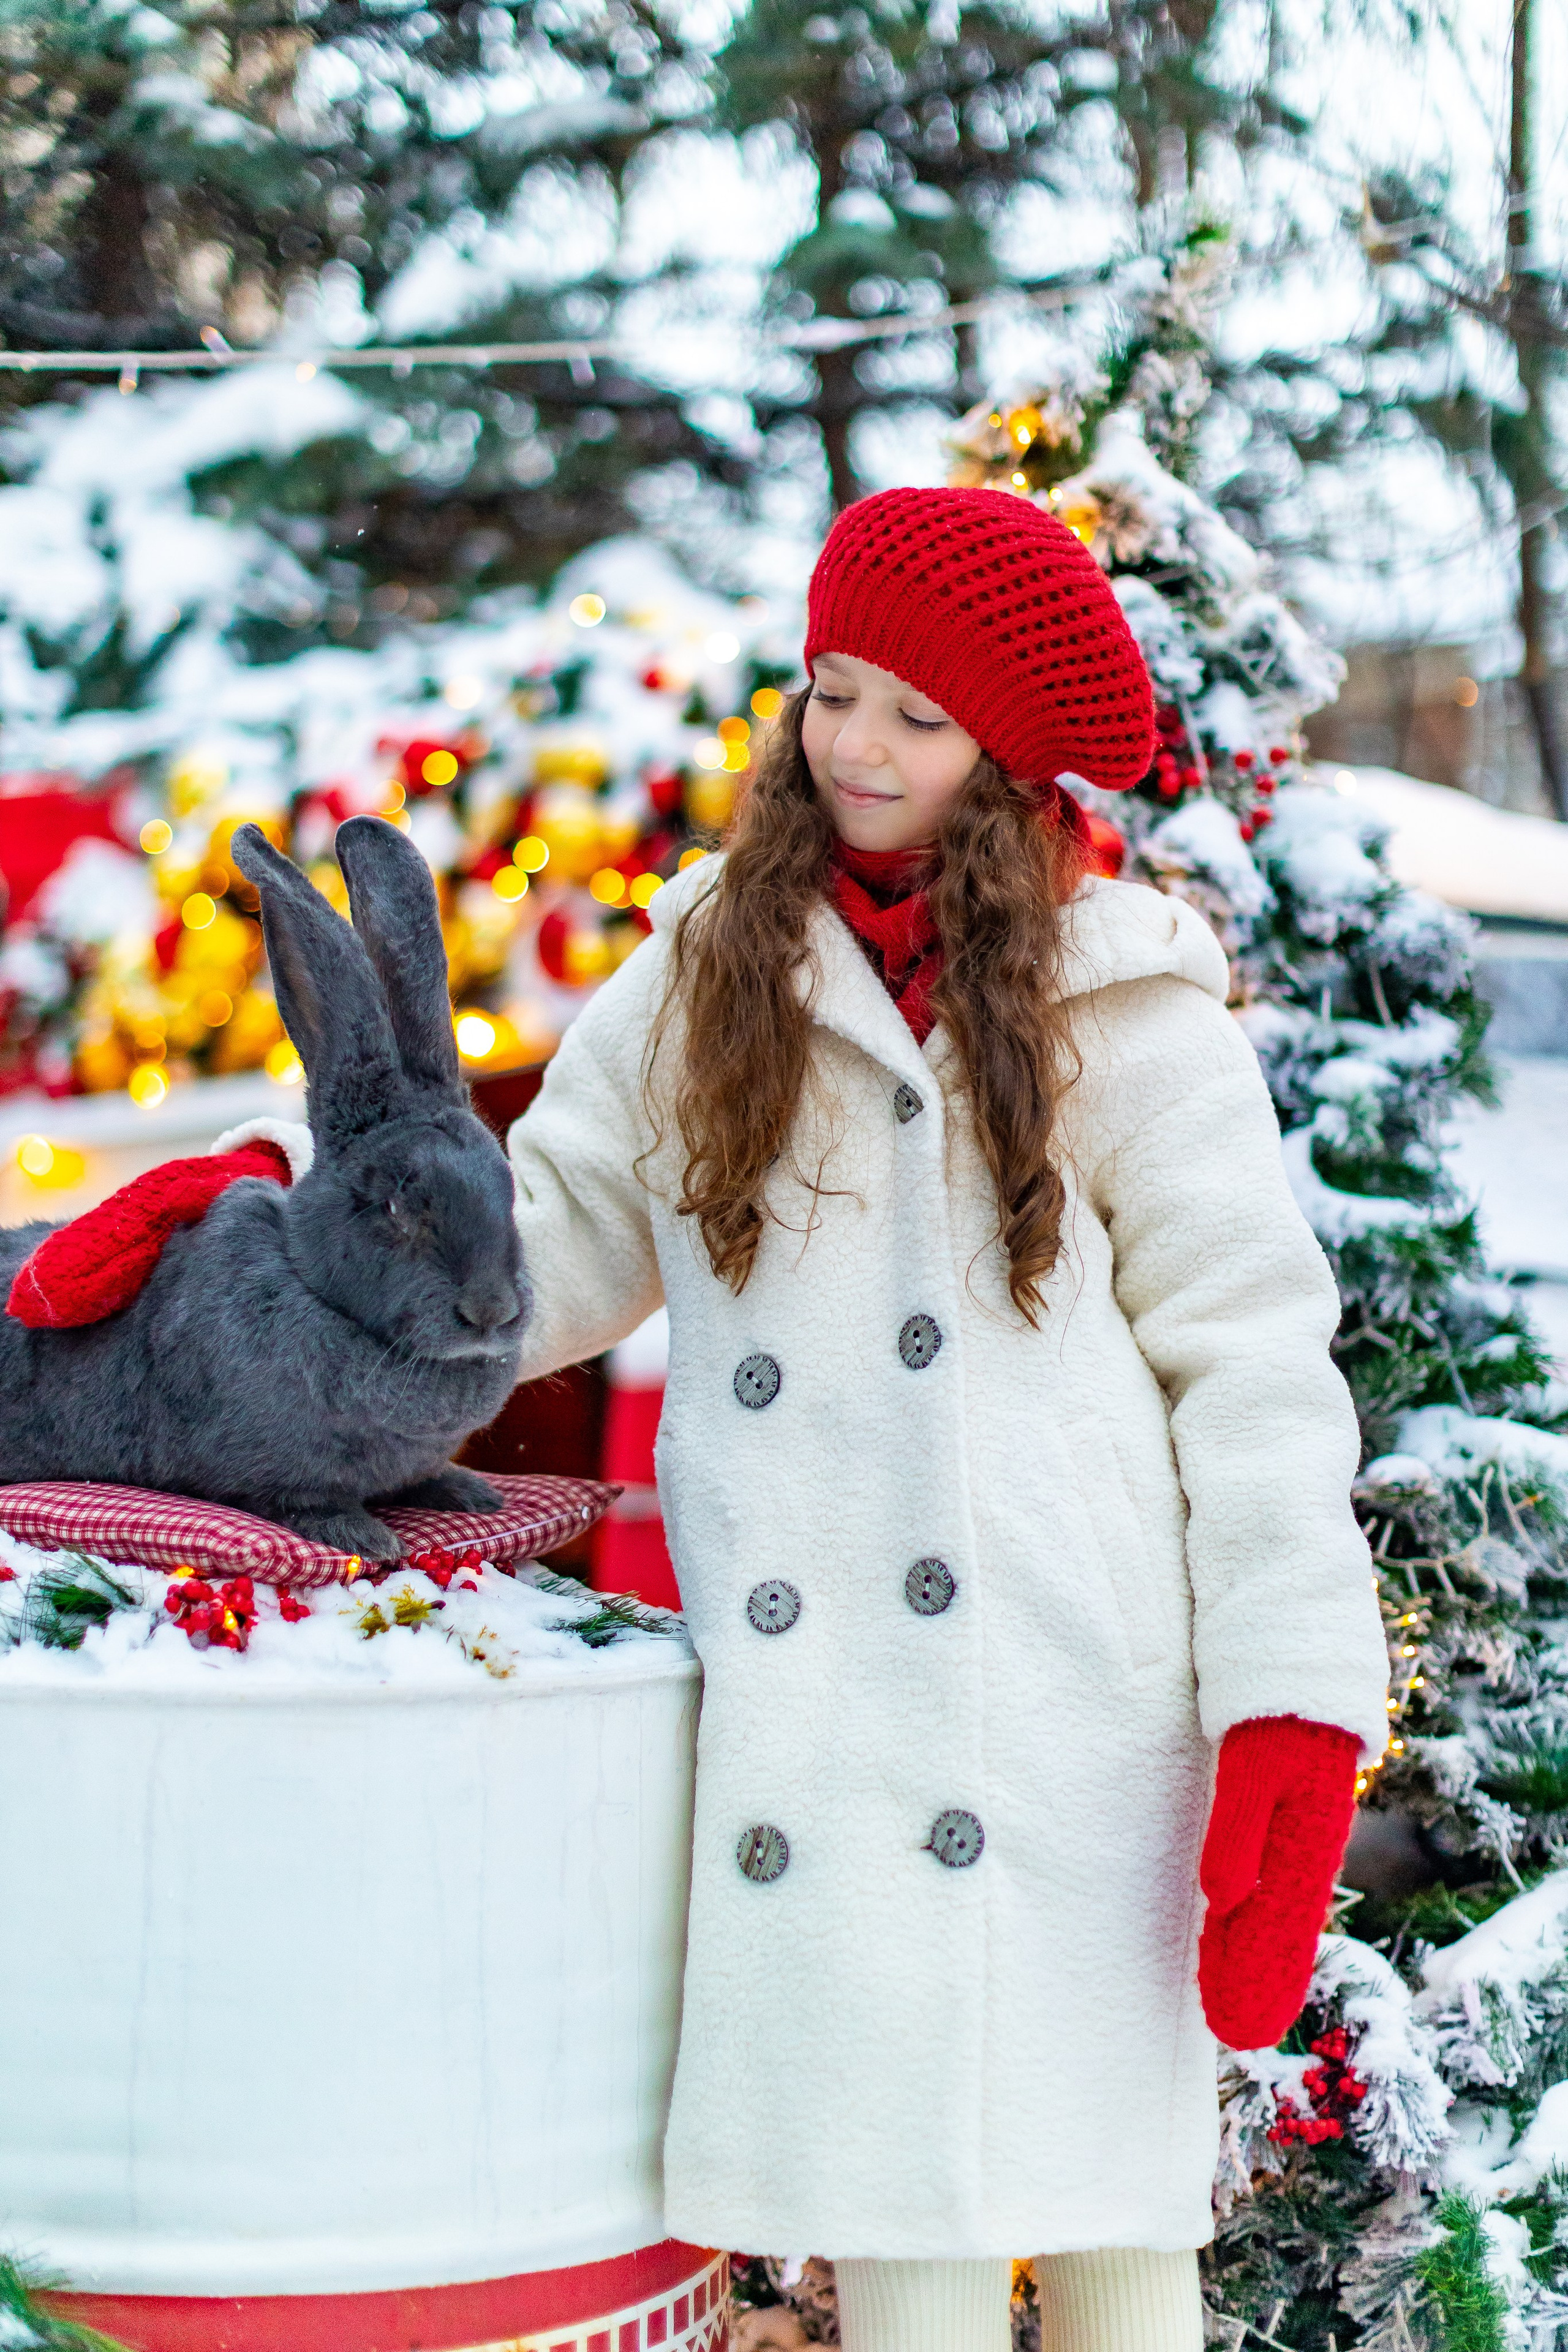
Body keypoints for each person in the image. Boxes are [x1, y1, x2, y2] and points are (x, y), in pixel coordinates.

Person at [504, 488, 1389, 2352]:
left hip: (1075, 1716)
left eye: (917, 716)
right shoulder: (704, 975)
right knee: (900, 2216)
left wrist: (1293, 1700)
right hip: (828, 1723)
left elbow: (1254, 1371)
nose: (858, 747)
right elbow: (546, 1239)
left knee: (1114, 2223)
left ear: (1004, 750)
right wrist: (284, 1255)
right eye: (832, 692)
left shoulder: (1126, 1007)